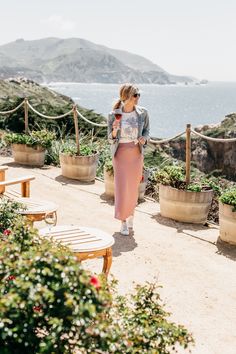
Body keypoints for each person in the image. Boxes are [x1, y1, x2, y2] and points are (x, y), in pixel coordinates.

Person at [107, 83, 150, 236]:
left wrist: (144, 138)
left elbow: (147, 130)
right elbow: (110, 139)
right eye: (135, 95)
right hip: (121, 154)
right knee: (121, 188)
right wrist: (114, 130)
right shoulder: (114, 114)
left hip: (136, 154)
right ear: (127, 97)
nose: (138, 97)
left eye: (138, 94)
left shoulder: (143, 113)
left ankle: (131, 215)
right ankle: (123, 221)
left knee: (133, 188)